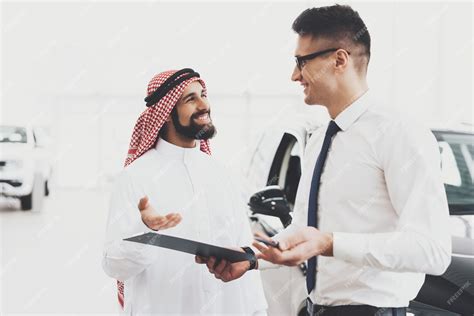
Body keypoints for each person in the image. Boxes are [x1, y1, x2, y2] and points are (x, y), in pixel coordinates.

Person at [197, 5, 451, 316]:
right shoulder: (318, 139)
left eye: (301, 62)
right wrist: (251, 257)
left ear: (339, 59)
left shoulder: (399, 133)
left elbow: (433, 250)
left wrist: (329, 243)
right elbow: (305, 228)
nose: (294, 75)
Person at [102, 68, 267, 315]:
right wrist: (147, 231)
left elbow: (243, 253)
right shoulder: (135, 177)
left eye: (203, 94)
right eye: (190, 99)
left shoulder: (222, 175)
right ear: (166, 113)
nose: (204, 104)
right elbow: (114, 266)